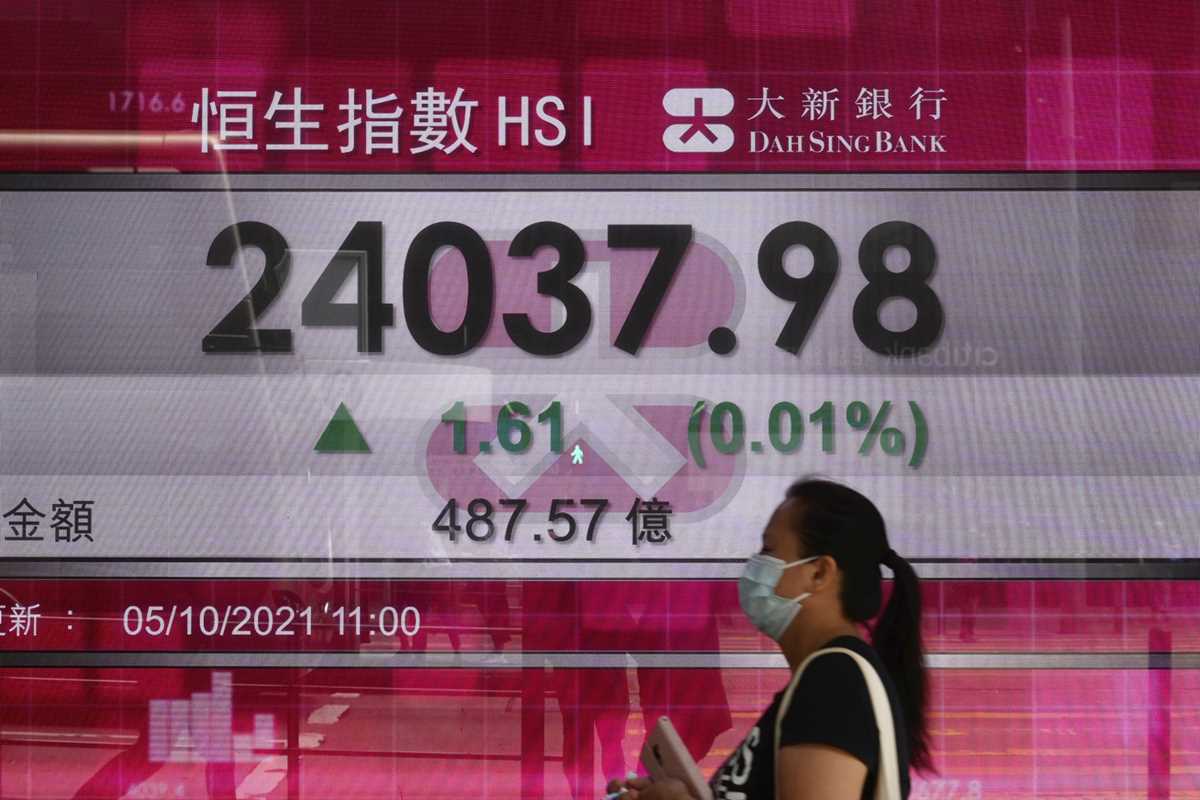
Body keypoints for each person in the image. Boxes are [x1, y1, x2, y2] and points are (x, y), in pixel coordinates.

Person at [608, 477, 931, 800]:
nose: (754, 565)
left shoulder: (834, 682)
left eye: (768, 550)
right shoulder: (824, 679)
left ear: (819, 573)